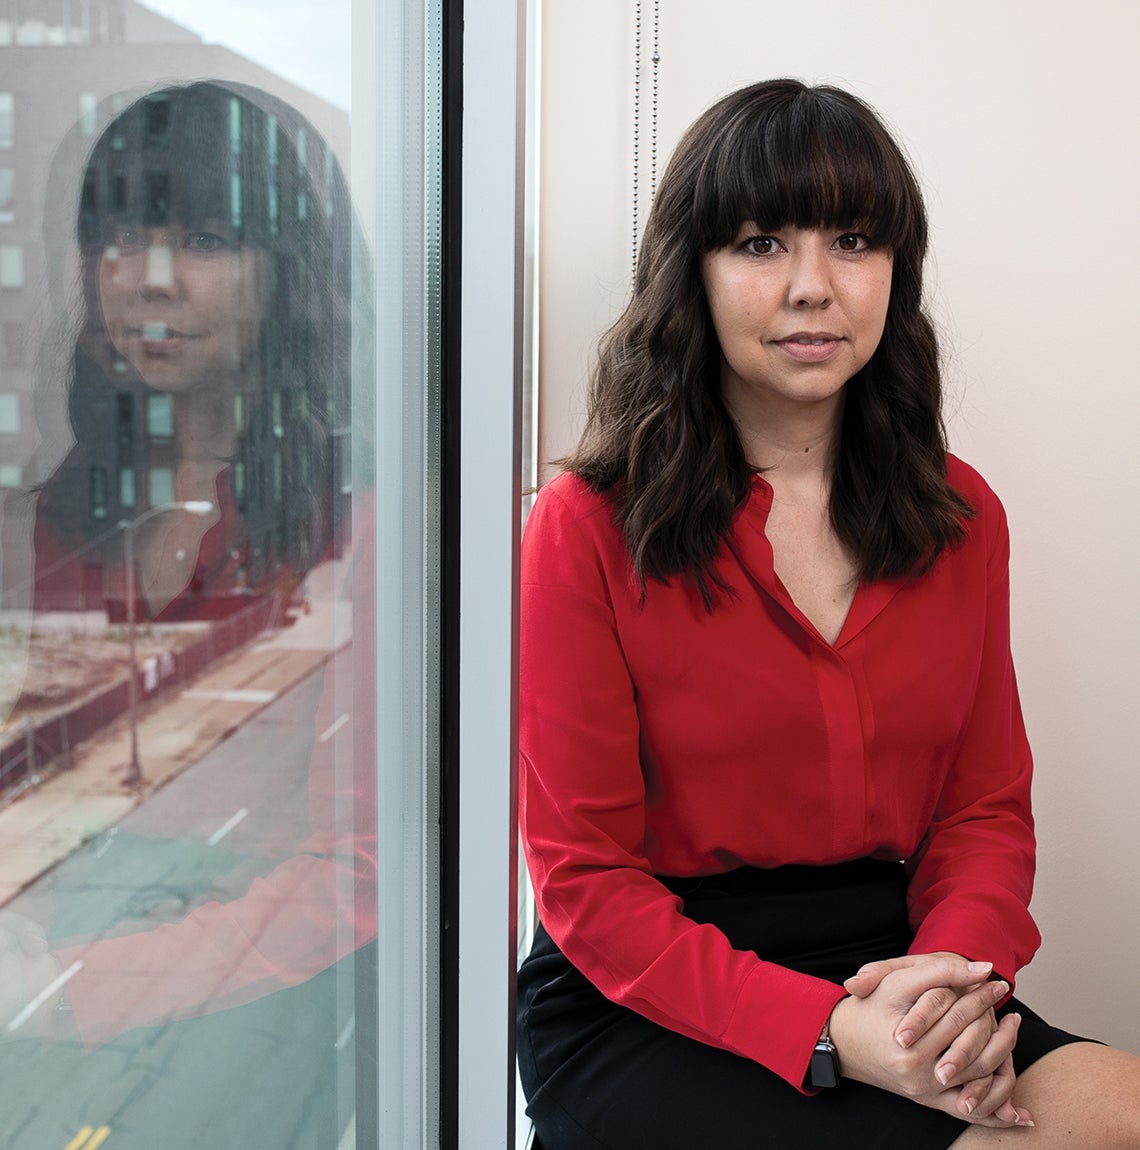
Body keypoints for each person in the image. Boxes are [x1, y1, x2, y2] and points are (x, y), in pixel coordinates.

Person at [516, 79, 1140, 1149]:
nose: (814, 286)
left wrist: (950, 981)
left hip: (897, 957)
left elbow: (984, 810)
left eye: (853, 239)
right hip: (653, 993)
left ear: (896, 272)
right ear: (693, 276)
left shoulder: (961, 513)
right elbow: (585, 878)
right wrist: (834, 1032)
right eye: (761, 244)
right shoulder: (584, 524)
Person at [0, 81, 376, 1048]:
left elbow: (358, 872)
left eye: (206, 240)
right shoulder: (45, 524)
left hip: (258, 1025)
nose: (148, 279)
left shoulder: (364, 532)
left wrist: (75, 987)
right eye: (120, 238)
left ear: (287, 272)